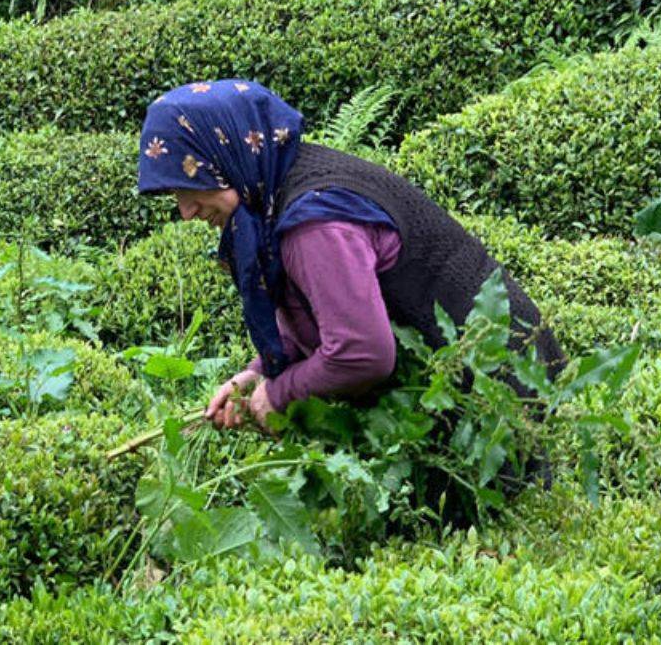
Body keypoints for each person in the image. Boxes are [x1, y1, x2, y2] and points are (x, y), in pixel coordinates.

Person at [136, 79, 566, 432]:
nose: (186, 211)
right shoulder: (278, 182)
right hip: (462, 387)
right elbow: (321, 317)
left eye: (193, 189)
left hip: (502, 406)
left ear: (229, 158)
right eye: (177, 194)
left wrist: (280, 395)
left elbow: (361, 352)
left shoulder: (315, 223)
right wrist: (259, 374)